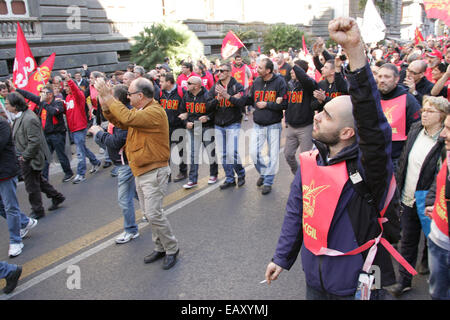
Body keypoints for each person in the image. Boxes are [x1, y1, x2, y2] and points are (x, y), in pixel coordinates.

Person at [264, 17, 414, 300]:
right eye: (321, 110)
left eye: (327, 115)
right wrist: (282, 258)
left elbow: (371, 123)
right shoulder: (310, 161)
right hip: (316, 282)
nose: (317, 116)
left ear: (347, 132)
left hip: (359, 284)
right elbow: (297, 213)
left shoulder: (369, 169)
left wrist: (355, 52)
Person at [95, 77, 179, 270]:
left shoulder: (154, 112)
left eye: (130, 94)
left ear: (140, 96)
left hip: (154, 171)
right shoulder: (141, 110)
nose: (127, 97)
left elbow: (126, 118)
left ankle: (172, 248)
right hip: (141, 170)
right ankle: (160, 247)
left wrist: (110, 96)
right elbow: (119, 121)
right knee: (150, 215)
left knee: (153, 213)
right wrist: (106, 103)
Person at [389, 95, 448, 297]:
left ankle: (426, 264)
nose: (424, 115)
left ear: (442, 116)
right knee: (408, 239)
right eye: (423, 110)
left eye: (430, 111)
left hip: (429, 201)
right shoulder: (415, 129)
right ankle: (403, 280)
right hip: (408, 197)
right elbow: (404, 159)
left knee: (431, 240)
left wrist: (430, 199)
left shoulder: (444, 142)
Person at [88, 84, 139, 244]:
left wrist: (99, 134)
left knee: (124, 199)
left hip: (127, 163)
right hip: (123, 161)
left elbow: (117, 141)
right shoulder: (117, 114)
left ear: (116, 100)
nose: (103, 99)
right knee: (138, 192)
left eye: (108, 96)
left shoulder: (126, 116)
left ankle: (131, 230)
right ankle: (151, 211)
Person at [230, 58, 287, 195]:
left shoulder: (280, 82)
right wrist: (235, 98)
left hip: (273, 125)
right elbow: (250, 99)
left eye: (260, 68)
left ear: (268, 70)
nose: (257, 70)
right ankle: (264, 172)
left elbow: (285, 104)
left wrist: (268, 104)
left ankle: (268, 182)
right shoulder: (256, 82)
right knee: (254, 153)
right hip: (258, 124)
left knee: (272, 155)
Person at [6, 92, 65, 220]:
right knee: (38, 180)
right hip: (25, 155)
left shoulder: (29, 118)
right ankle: (57, 196)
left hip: (30, 157)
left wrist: (25, 156)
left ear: (15, 106)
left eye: (7, 104)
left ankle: (37, 209)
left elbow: (34, 141)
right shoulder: (19, 117)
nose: (6, 106)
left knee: (31, 185)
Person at [15, 84, 74, 182]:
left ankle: (68, 173)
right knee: (45, 157)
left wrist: (43, 103)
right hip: (46, 134)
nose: (41, 95)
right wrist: (16, 89)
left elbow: (53, 112)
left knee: (61, 155)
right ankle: (44, 177)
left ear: (50, 95)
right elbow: (29, 95)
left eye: (44, 93)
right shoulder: (42, 102)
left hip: (57, 134)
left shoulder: (57, 103)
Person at [0, 116, 38, 257]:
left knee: (10, 207)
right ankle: (24, 221)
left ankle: (15, 241)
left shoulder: (2, 124)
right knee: (2, 206)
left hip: (6, 173)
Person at [424, 105, 450, 300]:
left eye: (449, 130)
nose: (443, 135)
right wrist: (435, 202)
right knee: (437, 293)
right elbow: (439, 183)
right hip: (437, 239)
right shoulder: (446, 154)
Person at [376, 63, 421, 169]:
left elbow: (416, 127)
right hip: (375, 156)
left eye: (387, 77)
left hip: (396, 158)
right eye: (380, 76)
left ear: (396, 79)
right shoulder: (372, 98)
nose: (382, 80)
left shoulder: (409, 100)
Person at [60, 70, 102, 184]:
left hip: (79, 127)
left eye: (66, 86)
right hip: (73, 128)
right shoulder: (68, 98)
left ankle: (81, 173)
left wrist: (68, 79)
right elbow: (68, 111)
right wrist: (61, 103)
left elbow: (75, 89)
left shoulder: (78, 96)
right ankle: (95, 161)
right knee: (82, 148)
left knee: (79, 151)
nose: (64, 88)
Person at [209, 63, 246, 189]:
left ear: (229, 72)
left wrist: (228, 96)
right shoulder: (215, 87)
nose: (218, 73)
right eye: (217, 71)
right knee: (223, 154)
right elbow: (207, 105)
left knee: (232, 152)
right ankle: (229, 178)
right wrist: (217, 100)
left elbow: (242, 102)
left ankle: (241, 174)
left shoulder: (237, 86)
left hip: (233, 123)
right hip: (219, 124)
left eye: (222, 70)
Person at [178, 76, 218, 189]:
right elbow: (182, 111)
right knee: (193, 154)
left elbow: (215, 110)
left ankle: (214, 174)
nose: (186, 85)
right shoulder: (186, 95)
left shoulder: (207, 95)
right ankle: (192, 179)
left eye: (189, 83)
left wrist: (208, 118)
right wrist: (186, 123)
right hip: (192, 128)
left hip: (206, 127)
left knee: (210, 152)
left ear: (196, 86)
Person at [283, 59, 317, 175]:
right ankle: (298, 174)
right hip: (291, 127)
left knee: (306, 159)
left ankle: (306, 182)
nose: (291, 72)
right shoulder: (289, 84)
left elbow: (305, 80)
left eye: (294, 70)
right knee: (288, 154)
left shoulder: (309, 84)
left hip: (305, 128)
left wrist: (294, 65)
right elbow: (287, 104)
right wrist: (286, 119)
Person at [156, 73, 188, 183]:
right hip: (165, 127)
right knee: (165, 152)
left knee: (181, 151)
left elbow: (187, 107)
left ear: (169, 82)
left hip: (179, 127)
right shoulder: (160, 93)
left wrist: (185, 118)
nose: (159, 83)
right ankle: (167, 175)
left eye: (162, 81)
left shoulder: (181, 92)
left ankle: (183, 172)